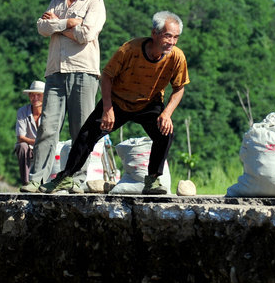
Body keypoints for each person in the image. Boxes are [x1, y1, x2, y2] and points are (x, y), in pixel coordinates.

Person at [41, 11, 189, 196]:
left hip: (149, 103)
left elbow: (179, 87)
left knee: (165, 133)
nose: (172, 42)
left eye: (176, 37)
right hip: (118, 101)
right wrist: (107, 108)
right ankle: (65, 178)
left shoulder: (176, 57)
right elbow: (107, 76)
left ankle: (152, 179)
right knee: (86, 136)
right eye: (168, 36)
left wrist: (166, 114)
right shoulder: (130, 49)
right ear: (155, 33)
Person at [20, 0, 107, 192]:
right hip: (55, 71)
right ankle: (37, 179)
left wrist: (57, 25)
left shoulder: (94, 2)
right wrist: (68, 22)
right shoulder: (57, 0)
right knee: (48, 127)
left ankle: (76, 180)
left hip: (83, 71)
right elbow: (41, 27)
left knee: (81, 129)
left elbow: (85, 35)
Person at [14, 80, 45, 185]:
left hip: (45, 146)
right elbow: (20, 137)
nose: (35, 98)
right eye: (32, 95)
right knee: (22, 146)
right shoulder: (22, 111)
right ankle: (26, 182)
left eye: (39, 95)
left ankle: (44, 182)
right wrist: (36, 142)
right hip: (29, 147)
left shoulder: (49, 112)